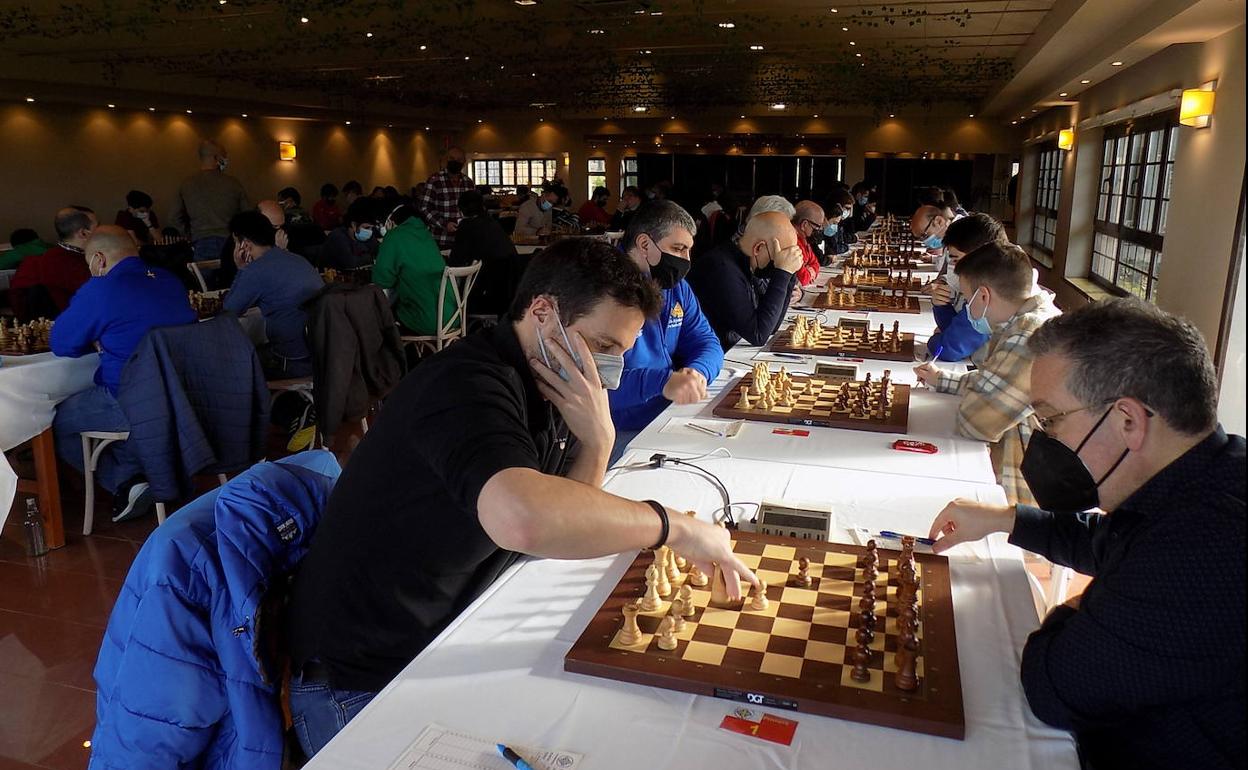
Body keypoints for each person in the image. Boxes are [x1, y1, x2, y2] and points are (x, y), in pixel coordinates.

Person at [286, 238, 760, 756]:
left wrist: (598, 441)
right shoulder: (465, 384)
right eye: (602, 345)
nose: (613, 368)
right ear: (542, 313)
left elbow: (563, 523)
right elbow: (524, 520)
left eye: (621, 352)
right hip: (364, 678)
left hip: (451, 635)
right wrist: (673, 527)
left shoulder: (552, 378)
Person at [926, 298, 1244, 770]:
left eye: (1051, 420)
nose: (1044, 438)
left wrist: (1081, 606)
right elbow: (1111, 541)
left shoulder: (1203, 551)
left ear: (1127, 420)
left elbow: (1054, 686)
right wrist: (1007, 519)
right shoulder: (1213, 473)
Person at [50, 226, 197, 521]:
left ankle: (124, 481)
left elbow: (61, 343)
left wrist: (96, 337)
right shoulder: (168, 279)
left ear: (99, 259)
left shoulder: (101, 288)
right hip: (183, 398)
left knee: (53, 420)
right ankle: (145, 474)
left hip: (129, 400)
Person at [914, 242, 1060, 505]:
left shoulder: (1030, 335)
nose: (967, 309)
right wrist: (942, 379)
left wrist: (974, 399)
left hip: (1026, 488)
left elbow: (976, 423)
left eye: (967, 298)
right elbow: (994, 380)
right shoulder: (1027, 320)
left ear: (983, 296)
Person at [609, 201, 724, 462]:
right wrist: (664, 382)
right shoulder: (604, 293)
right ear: (644, 244)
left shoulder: (676, 286)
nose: (686, 260)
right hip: (619, 427)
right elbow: (597, 386)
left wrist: (697, 373)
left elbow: (707, 342)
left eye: (688, 250)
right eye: (678, 249)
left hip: (668, 413)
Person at [223, 211, 323, 380]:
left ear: (244, 244)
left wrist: (242, 269)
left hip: (292, 361)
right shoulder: (297, 259)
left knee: (236, 361)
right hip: (322, 355)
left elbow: (229, 312)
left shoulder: (255, 271)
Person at [687, 211, 803, 351]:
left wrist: (790, 274)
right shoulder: (722, 268)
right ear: (758, 248)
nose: (782, 260)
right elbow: (758, 335)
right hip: (702, 356)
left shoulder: (744, 263)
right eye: (780, 255)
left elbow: (771, 327)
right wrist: (782, 273)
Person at [927, 213, 1006, 362]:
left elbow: (948, 349)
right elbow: (956, 330)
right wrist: (941, 306)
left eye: (956, 259)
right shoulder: (985, 282)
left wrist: (936, 338)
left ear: (979, 256)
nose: (953, 268)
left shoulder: (990, 292)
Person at [372, 203, 453, 336]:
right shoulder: (426, 235)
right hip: (452, 317)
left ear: (391, 222)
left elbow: (382, 281)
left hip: (425, 320)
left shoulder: (393, 236)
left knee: (378, 312)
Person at [171, 139, 250, 263]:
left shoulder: (187, 184)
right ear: (217, 158)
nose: (226, 159)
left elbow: (174, 217)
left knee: (205, 275)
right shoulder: (233, 183)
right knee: (230, 274)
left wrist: (189, 235)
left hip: (200, 241)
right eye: (224, 156)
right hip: (229, 242)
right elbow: (248, 215)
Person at [10, 206, 96, 317]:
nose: (102, 231)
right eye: (98, 227)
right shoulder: (73, 265)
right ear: (83, 233)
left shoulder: (50, 256)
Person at [448, 189, 522, 316]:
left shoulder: (466, 226)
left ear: (461, 210)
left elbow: (455, 261)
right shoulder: (491, 222)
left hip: (487, 289)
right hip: (510, 288)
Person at [417, 147, 476, 249]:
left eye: (459, 160)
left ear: (464, 162)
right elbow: (424, 207)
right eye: (451, 158)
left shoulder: (468, 183)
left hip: (465, 239)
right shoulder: (434, 180)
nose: (455, 162)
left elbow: (474, 208)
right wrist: (444, 224)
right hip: (440, 239)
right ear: (446, 160)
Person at [320, 198, 379, 270]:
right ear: (354, 225)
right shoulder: (337, 237)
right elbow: (351, 263)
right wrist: (370, 257)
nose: (370, 231)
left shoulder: (368, 236)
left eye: (372, 228)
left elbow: (379, 253)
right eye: (366, 228)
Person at [790, 200, 825, 287]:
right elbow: (803, 278)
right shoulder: (791, 242)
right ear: (804, 224)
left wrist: (809, 270)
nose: (819, 230)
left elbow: (816, 263)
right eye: (817, 226)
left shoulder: (804, 239)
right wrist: (809, 272)